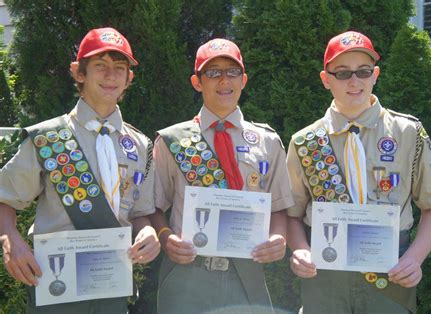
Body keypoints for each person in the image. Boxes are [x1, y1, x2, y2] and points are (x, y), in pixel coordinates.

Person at [286, 31, 431, 313]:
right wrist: (300, 249)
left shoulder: (407, 133)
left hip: (391, 274)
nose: (354, 81)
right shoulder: (306, 141)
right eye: (342, 73)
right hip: (326, 275)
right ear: (326, 79)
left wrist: (415, 258)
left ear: (374, 75)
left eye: (363, 72)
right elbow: (291, 213)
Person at [0, 27, 160, 313]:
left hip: (111, 285)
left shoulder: (140, 144)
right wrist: (10, 240)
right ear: (79, 72)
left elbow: (141, 213)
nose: (110, 75)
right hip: (55, 285)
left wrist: (149, 234)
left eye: (119, 67)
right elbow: (5, 197)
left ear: (129, 78)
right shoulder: (49, 138)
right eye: (100, 66)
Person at [150, 38, 294, 313]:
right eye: (213, 72)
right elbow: (153, 207)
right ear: (197, 81)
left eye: (232, 72)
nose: (224, 80)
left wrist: (279, 238)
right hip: (187, 276)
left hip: (245, 274)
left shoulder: (267, 141)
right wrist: (167, 238)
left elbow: (279, 208)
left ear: (244, 79)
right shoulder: (172, 141)